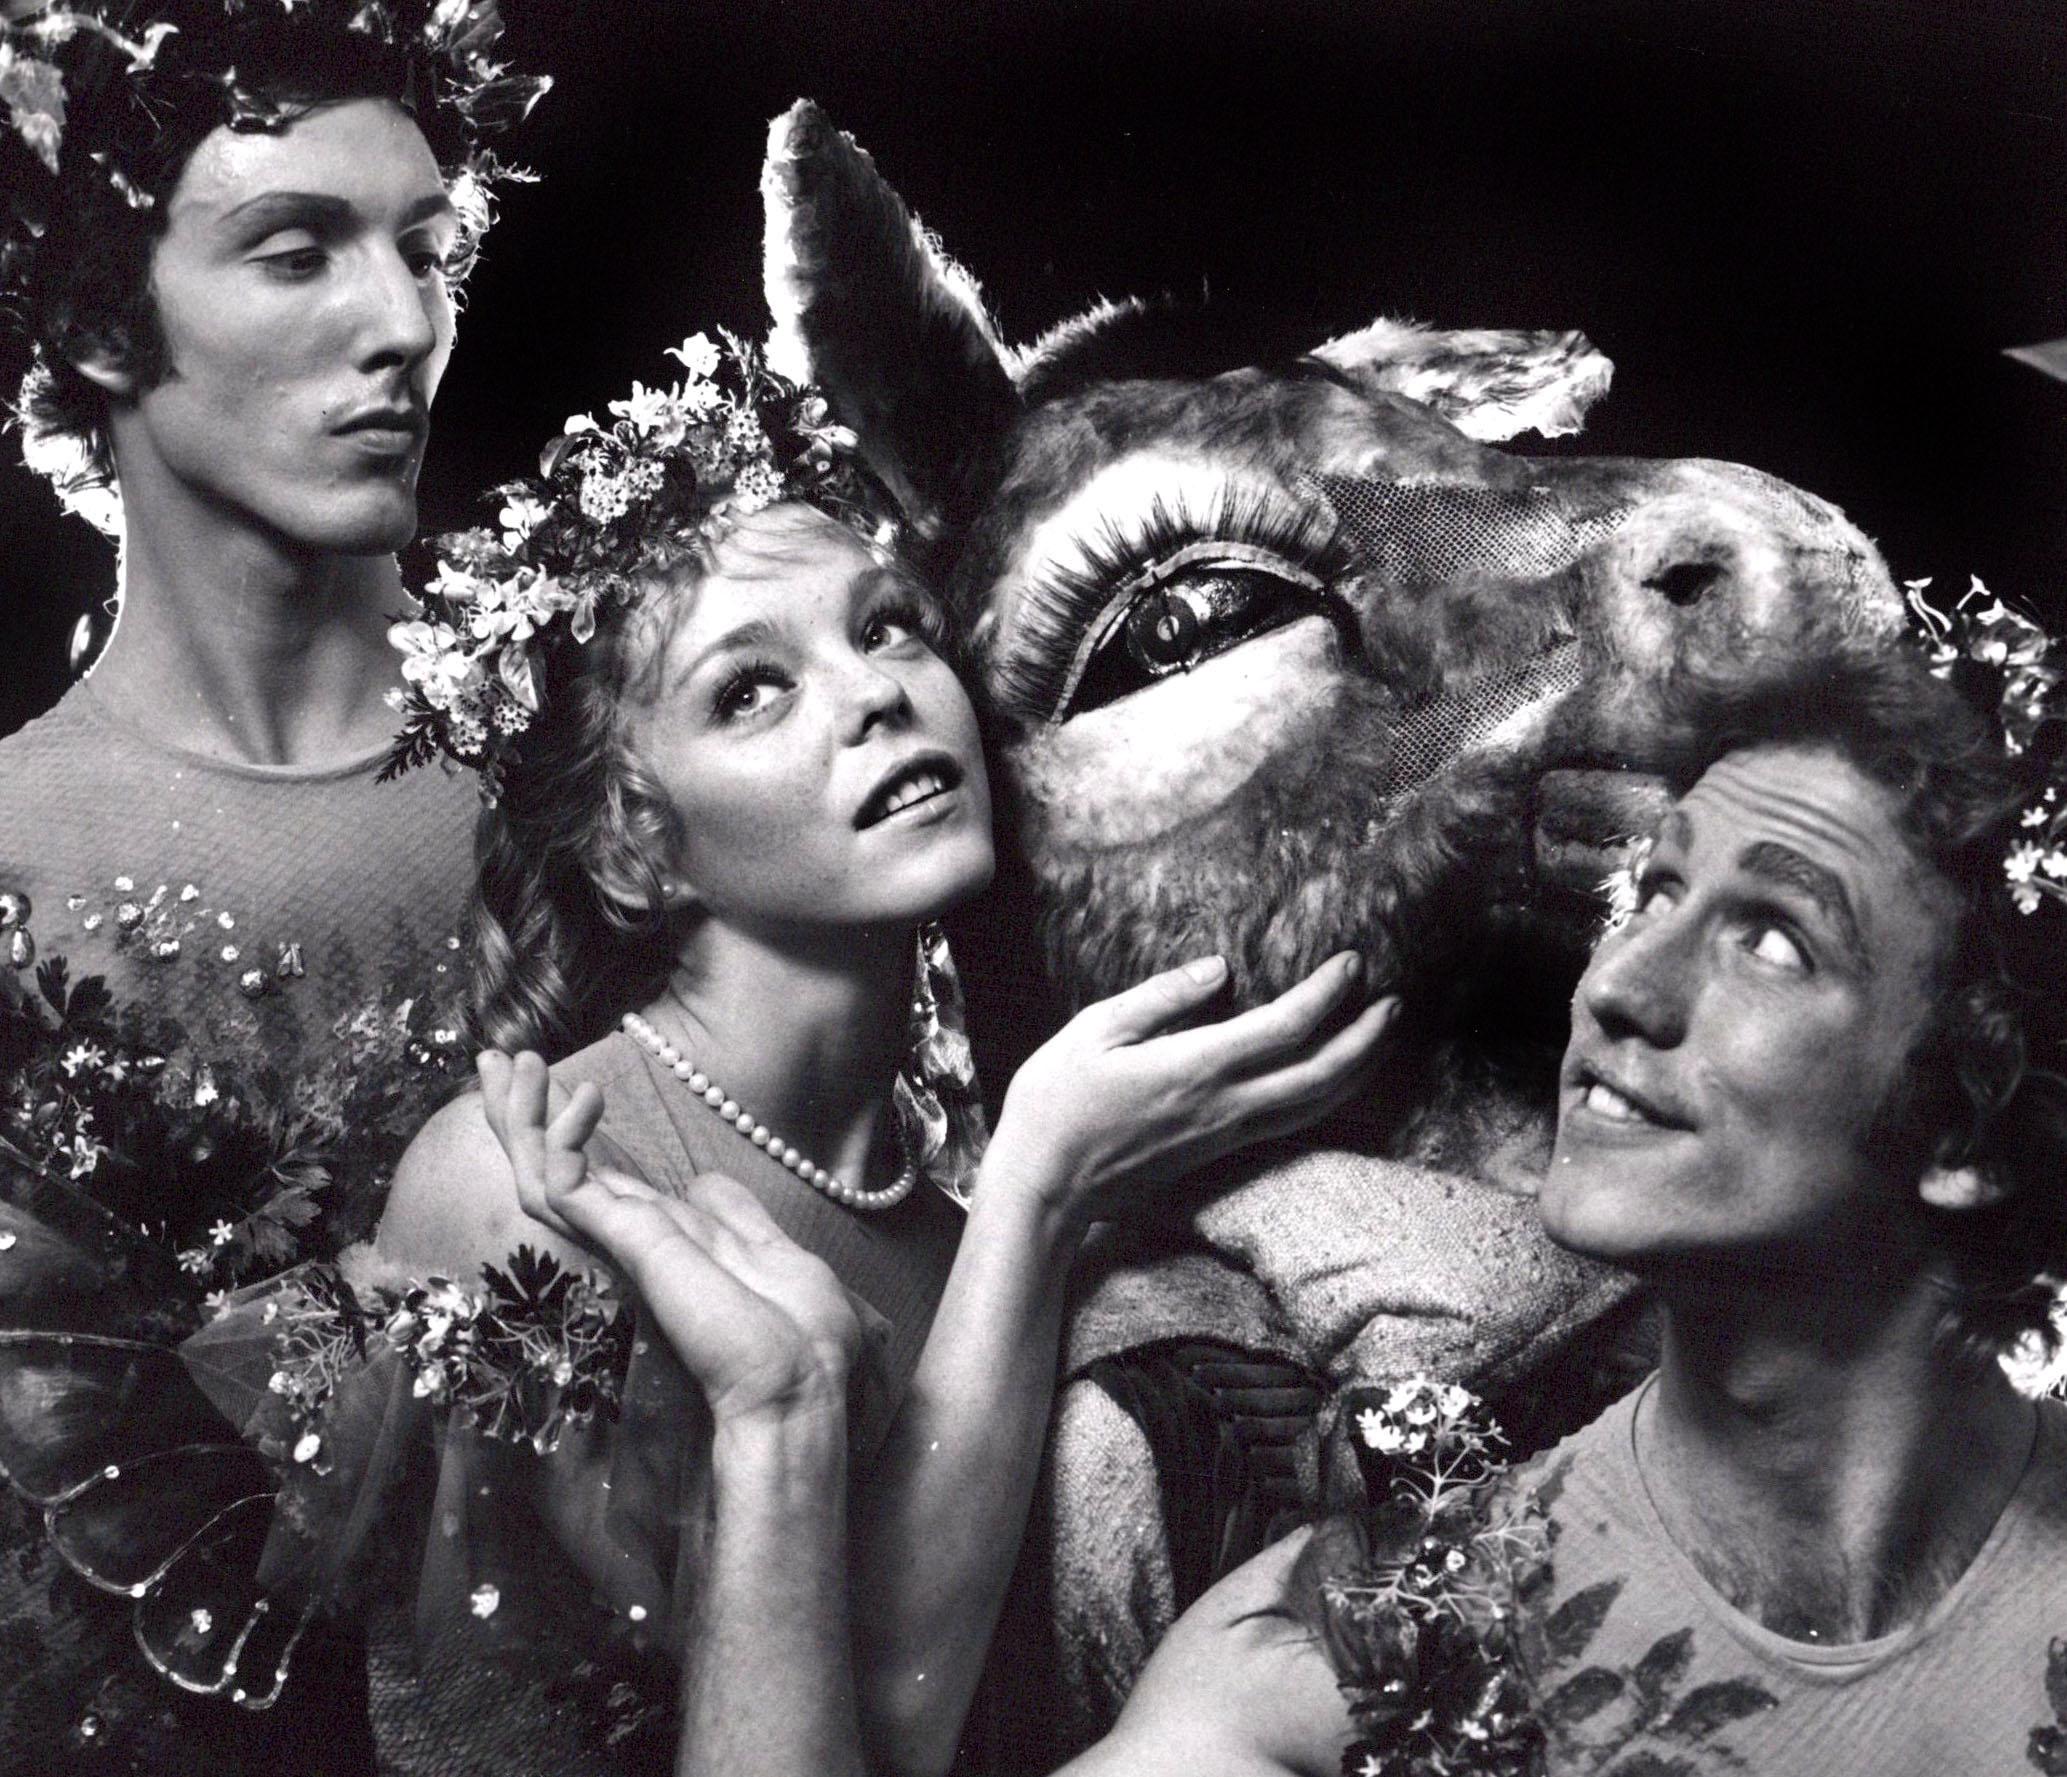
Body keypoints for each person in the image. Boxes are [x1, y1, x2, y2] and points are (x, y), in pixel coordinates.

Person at [563, 615, 2067, 1777]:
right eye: (1651, 893)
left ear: (1969, 1128)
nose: (1620, 988)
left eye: (1773, 942)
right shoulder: (1349, 1654)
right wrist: (775, 1420)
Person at [284, 328, 1396, 1775]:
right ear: (633, 845)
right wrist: (1041, 1186)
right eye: (752, 688)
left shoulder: (949, 1225)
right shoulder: (527, 1178)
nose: (877, 691)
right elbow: (874, 1727)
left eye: (886, 626)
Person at [0, 0, 543, 1066]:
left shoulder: (599, 744)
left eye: (427, 254)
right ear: (97, 323)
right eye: (297, 255)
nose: (405, 326)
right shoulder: (13, 856)